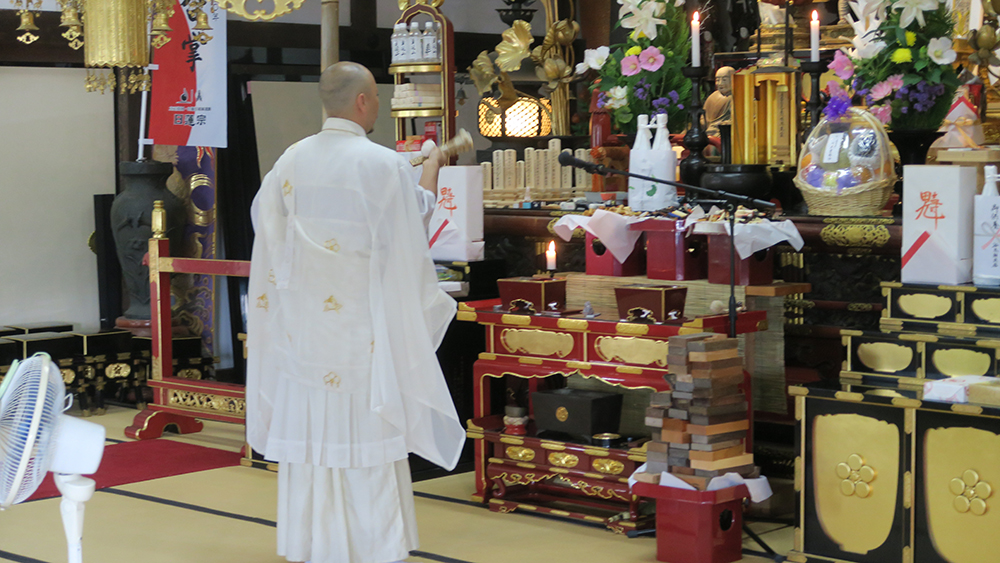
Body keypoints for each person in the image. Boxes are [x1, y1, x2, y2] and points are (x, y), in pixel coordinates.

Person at [245, 61, 466, 563]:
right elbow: (415, 220)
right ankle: (375, 549)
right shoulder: (382, 164)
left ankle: (311, 544)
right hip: (361, 334)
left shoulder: (290, 160)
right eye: (377, 100)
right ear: (364, 101)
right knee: (365, 436)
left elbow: (266, 225)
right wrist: (431, 165)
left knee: (314, 440)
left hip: (306, 332)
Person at [704, 66, 735, 137]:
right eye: (717, 80)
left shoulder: (739, 96)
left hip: (725, 133)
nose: (720, 83)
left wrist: (728, 123)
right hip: (710, 131)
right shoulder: (713, 96)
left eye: (724, 80)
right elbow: (703, 118)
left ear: (733, 79)